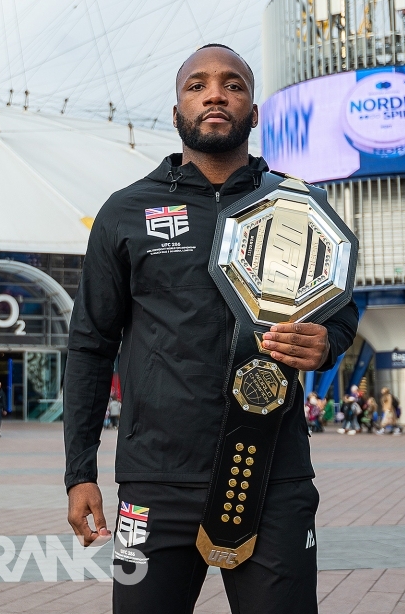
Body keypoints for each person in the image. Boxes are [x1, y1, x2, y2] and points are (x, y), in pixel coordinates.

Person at [63, 44, 359, 614]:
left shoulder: (301, 208)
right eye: (197, 86)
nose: (216, 94)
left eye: (234, 84)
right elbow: (90, 346)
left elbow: (342, 315)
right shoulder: (127, 211)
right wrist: (80, 472)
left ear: (254, 111)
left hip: (274, 477)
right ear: (177, 110)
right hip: (154, 484)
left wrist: (326, 346)